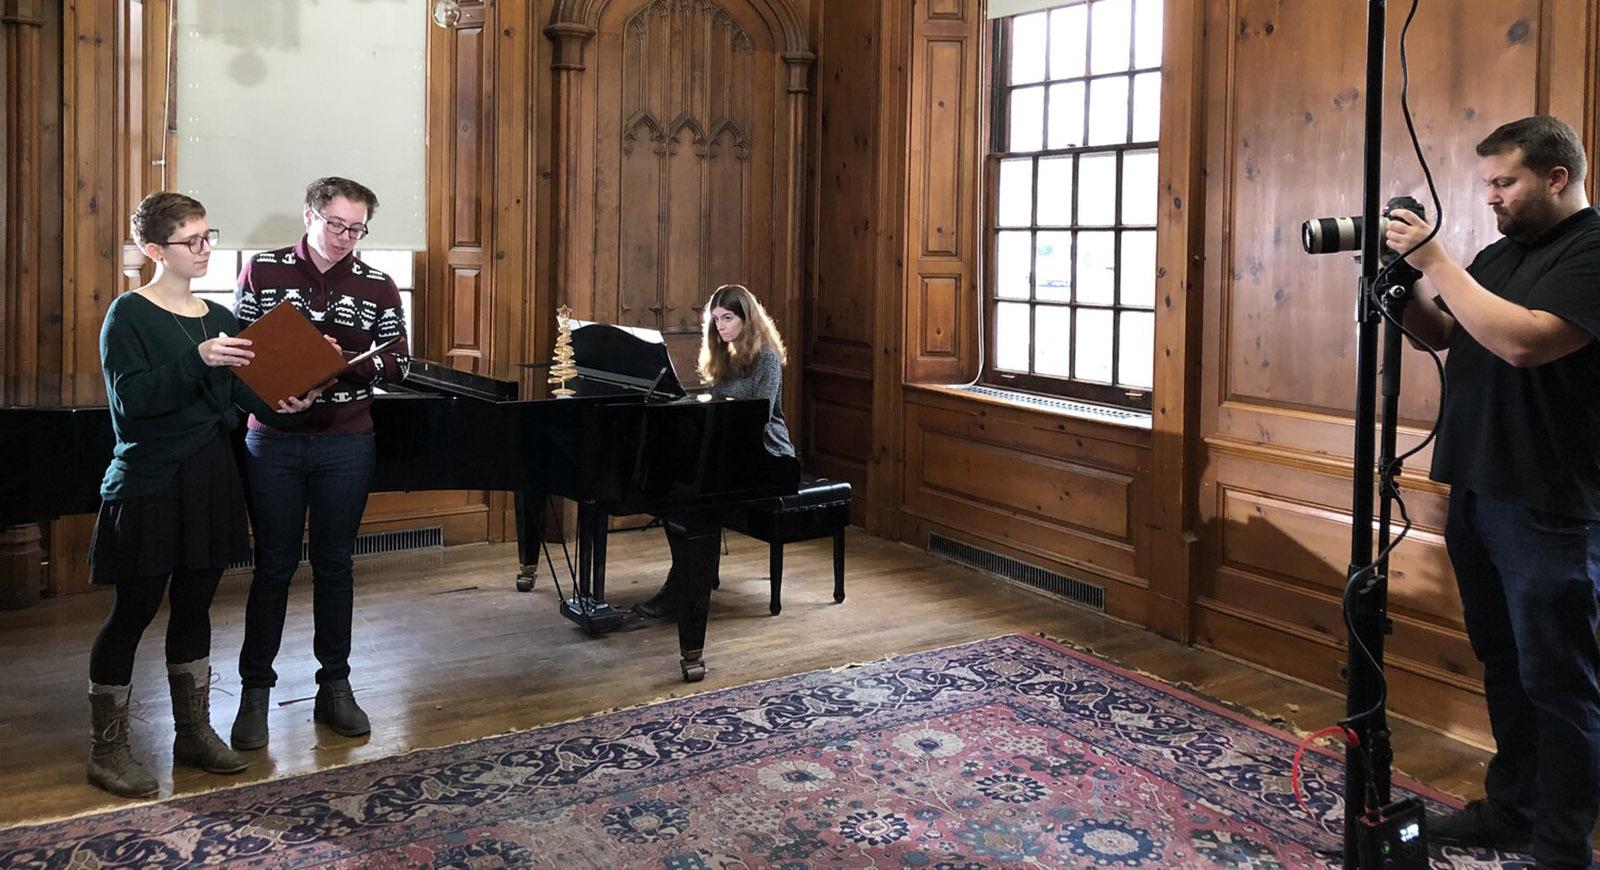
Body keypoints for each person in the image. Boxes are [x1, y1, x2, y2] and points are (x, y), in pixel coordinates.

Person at [1386, 115, 1600, 869]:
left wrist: (1435, 259)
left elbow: (1521, 341)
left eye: (1504, 182)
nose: (1493, 198)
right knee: (1503, 663)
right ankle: (1514, 811)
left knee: (1559, 681)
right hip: (1477, 488)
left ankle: (1562, 847)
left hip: (1549, 505)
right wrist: (1406, 290)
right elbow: (1451, 333)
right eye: (1487, 184)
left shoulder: (1593, 252)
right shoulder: (1501, 254)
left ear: (1556, 177)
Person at [87, 192, 319, 798]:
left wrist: (290, 404)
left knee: (195, 608)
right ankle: (108, 751)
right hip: (151, 483)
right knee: (132, 613)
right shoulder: (128, 315)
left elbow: (243, 401)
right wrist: (196, 359)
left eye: (208, 236)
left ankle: (192, 735)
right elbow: (131, 408)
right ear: (153, 250)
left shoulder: (219, 319)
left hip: (212, 480)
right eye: (191, 241)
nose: (205, 249)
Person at [230, 177, 411, 750]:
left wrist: (342, 364)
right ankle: (255, 693)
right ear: (310, 215)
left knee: (335, 565)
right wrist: (277, 390)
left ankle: (335, 686)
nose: (345, 238)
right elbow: (240, 350)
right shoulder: (263, 269)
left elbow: (398, 366)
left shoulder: (378, 284)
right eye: (335, 225)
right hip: (274, 441)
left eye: (356, 229)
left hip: (346, 441)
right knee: (274, 568)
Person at [632, 283, 797, 624]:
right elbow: (718, 410)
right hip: (731, 451)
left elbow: (761, 415)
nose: (720, 326)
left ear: (746, 320)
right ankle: (690, 581)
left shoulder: (765, 357)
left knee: (694, 502)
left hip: (768, 452)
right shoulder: (725, 354)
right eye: (716, 319)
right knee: (672, 497)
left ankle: (682, 590)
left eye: (727, 318)